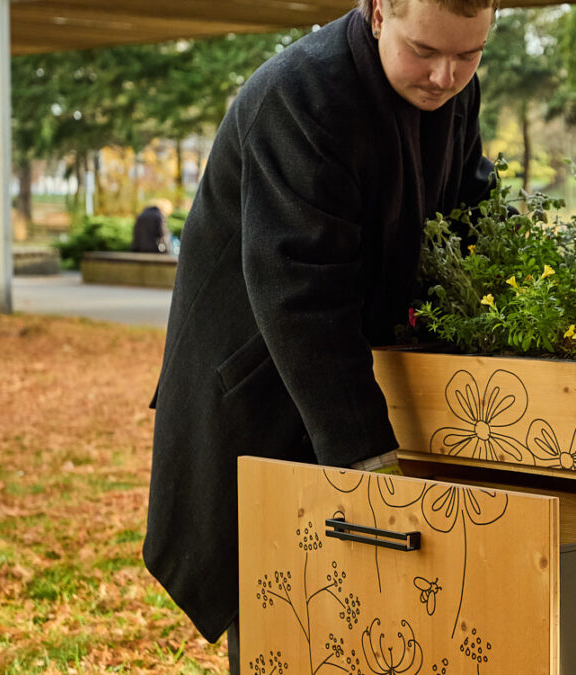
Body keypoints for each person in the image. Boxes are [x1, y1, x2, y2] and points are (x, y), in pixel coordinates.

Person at [141, 0, 498, 671]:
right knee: (286, 616)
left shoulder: (454, 88)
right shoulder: (300, 95)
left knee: (364, 624)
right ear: (378, 11)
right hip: (262, 389)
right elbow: (302, 292)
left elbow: (471, 216)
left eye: (468, 54)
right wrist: (370, 463)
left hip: (352, 379)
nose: (446, 76)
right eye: (425, 50)